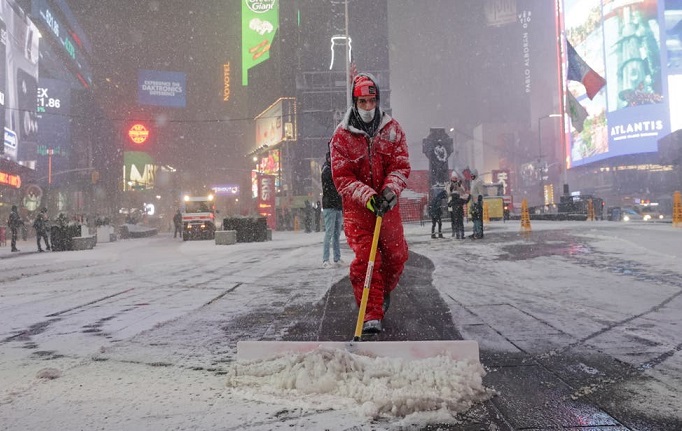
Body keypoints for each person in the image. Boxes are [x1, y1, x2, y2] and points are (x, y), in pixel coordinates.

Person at [330, 72, 410, 334]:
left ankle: (381, 292)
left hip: (387, 207)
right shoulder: (341, 137)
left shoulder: (393, 130)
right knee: (368, 258)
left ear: (378, 100)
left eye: (371, 101)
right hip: (358, 211)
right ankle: (370, 313)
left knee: (396, 256)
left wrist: (390, 190)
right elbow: (342, 177)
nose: (367, 107)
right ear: (354, 102)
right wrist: (367, 197)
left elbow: (400, 164)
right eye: (362, 101)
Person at [321, 150, 343, 268]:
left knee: (336, 233)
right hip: (330, 205)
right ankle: (325, 259)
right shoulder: (327, 170)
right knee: (329, 233)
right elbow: (334, 185)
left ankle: (337, 257)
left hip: (337, 205)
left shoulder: (333, 170)